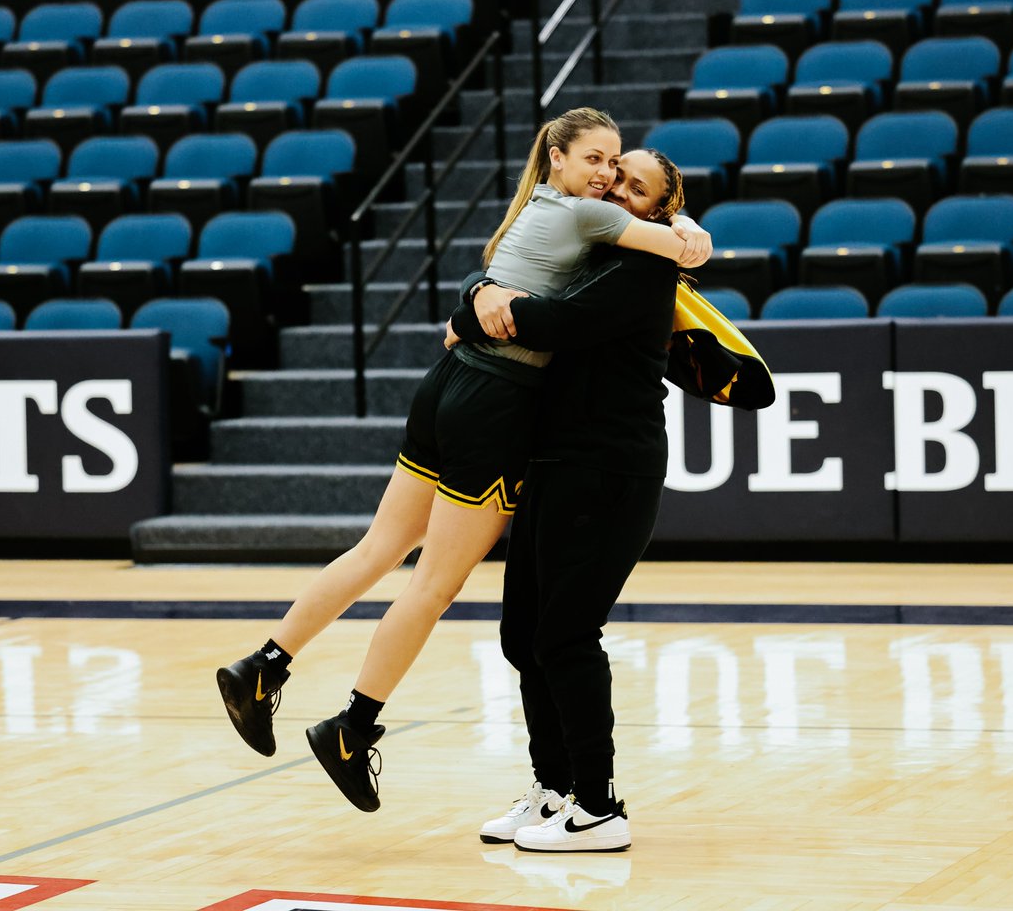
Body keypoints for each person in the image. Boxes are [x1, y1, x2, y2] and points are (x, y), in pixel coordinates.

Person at [215, 109, 714, 814]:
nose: (606, 177)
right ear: (557, 157)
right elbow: (686, 253)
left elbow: (492, 283)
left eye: (618, 169)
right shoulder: (592, 219)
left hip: (447, 386)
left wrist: (473, 303)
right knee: (433, 586)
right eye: (599, 161)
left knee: (381, 547)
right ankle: (353, 728)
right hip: (495, 401)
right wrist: (687, 230)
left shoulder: (534, 210)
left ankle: (263, 667)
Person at [443, 148, 689, 853]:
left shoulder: (647, 268)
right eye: (616, 174)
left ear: (660, 212)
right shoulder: (585, 245)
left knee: (566, 637)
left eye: (637, 188)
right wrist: (479, 293)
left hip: (610, 470)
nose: (616, 187)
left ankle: (600, 806)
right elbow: (499, 279)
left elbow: (548, 323)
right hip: (550, 466)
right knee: (521, 638)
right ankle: (550, 791)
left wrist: (485, 301)